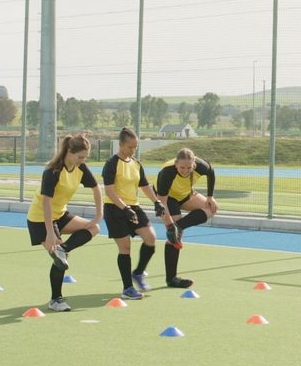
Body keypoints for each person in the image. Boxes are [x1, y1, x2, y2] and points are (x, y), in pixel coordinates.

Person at [26, 133, 102, 312]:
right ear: (69, 151)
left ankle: (63, 249)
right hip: (40, 218)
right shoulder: (52, 171)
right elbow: (45, 202)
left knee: (94, 228)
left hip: (60, 215)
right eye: (80, 157)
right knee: (61, 261)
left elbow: (96, 187)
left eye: (85, 157)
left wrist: (99, 213)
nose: (83, 161)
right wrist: (50, 233)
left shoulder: (80, 168)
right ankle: (56, 300)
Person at [101, 127, 166, 300]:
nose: (132, 150)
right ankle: (127, 288)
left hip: (133, 207)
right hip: (115, 209)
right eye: (130, 147)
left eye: (135, 147)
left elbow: (144, 185)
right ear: (121, 144)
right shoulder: (111, 163)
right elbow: (109, 191)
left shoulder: (136, 163)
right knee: (125, 247)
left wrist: (157, 201)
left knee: (150, 238)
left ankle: (137, 273)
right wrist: (124, 208)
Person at [155, 147, 218, 289]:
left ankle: (179, 226)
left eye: (189, 167)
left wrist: (210, 196)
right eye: (182, 167)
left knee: (211, 208)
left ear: (194, 164)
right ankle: (171, 279)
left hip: (185, 194)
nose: (185, 170)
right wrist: (170, 226)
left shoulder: (200, 166)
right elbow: (161, 203)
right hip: (167, 198)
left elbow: (211, 172)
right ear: (176, 163)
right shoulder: (167, 172)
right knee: (175, 237)